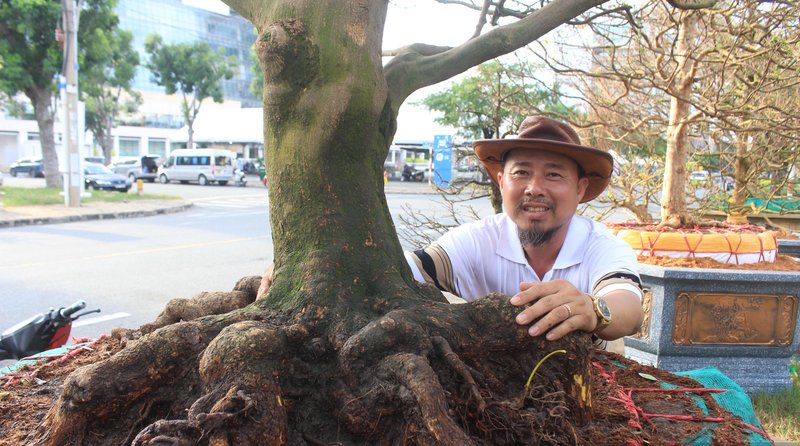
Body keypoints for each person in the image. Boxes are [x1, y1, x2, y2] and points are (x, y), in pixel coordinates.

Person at [404, 116, 643, 346]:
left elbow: (630, 308)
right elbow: (400, 270)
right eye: (521, 173)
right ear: (500, 182)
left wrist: (591, 310)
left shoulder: (602, 247)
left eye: (554, 175)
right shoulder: (476, 241)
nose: (534, 188)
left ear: (580, 189)